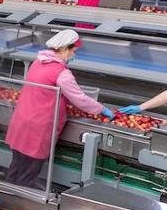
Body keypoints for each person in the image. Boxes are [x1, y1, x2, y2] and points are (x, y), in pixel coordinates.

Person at [6, 29, 113, 189]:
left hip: (22, 121)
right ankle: (19, 204)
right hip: (38, 128)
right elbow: (80, 99)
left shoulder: (38, 62)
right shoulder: (62, 73)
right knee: (28, 173)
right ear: (64, 49)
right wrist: (101, 109)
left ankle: (5, 195)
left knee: (16, 167)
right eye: (73, 51)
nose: (74, 55)